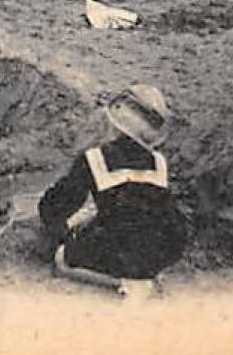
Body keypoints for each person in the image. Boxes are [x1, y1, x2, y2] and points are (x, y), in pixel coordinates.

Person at [37, 83, 188, 296]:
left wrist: (60, 228)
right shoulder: (159, 162)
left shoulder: (94, 158)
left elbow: (58, 204)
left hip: (116, 245)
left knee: (62, 260)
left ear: (115, 125)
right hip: (158, 249)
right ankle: (145, 277)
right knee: (131, 229)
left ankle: (120, 283)